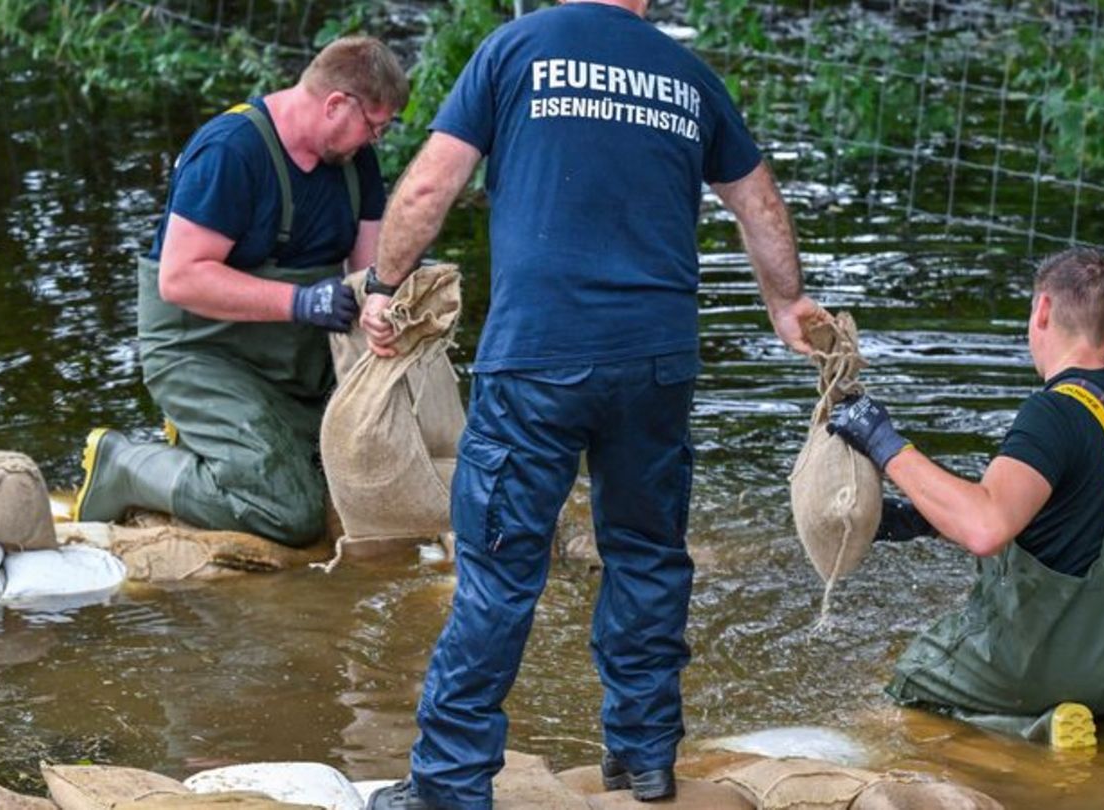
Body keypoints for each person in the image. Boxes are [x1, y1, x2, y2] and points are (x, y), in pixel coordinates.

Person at [360, 1, 825, 807]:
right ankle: (643, 761)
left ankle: (448, 785)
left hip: (538, 357)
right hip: (656, 364)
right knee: (647, 556)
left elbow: (433, 182)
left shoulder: (515, 49)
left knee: (499, 574)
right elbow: (759, 204)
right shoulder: (687, 74)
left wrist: (383, 285)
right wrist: (787, 306)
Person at [828, 247, 1104, 749]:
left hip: (1048, 667)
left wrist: (883, 443)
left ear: (1042, 311)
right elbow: (1069, 518)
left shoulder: (1053, 412)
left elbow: (986, 528)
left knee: (915, 678)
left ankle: (1043, 724)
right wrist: (919, 519)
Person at [72, 36, 408, 546]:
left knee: (357, 483)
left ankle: (210, 442)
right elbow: (180, 278)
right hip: (202, 352)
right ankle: (126, 465)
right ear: (336, 103)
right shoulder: (231, 150)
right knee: (289, 514)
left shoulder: (353, 161)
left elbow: (370, 269)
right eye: (374, 127)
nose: (375, 141)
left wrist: (390, 303)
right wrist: (300, 301)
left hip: (295, 362)